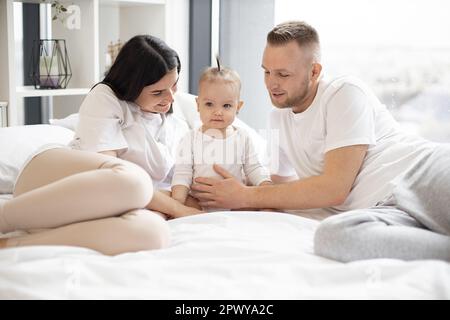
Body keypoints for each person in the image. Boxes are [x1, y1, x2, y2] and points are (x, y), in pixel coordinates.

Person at [191, 21, 450, 262]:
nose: (271, 83)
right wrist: (237, 187)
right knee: (332, 237)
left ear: (314, 71)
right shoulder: (277, 119)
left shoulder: (343, 92)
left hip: (422, 174)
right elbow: (281, 191)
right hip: (387, 211)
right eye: (267, 72)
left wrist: (245, 196)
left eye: (283, 74)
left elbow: (334, 188)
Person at [0, 35, 200, 255]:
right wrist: (179, 209)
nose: (170, 98)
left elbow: (176, 185)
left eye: (174, 85)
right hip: (49, 180)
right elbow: (113, 175)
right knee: (136, 181)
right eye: (157, 92)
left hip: (100, 205)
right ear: (133, 85)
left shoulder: (177, 125)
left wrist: (173, 206)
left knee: (154, 233)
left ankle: (13, 245)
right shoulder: (106, 97)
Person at [171, 61, 272, 211]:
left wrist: (265, 186)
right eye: (209, 104)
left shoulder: (242, 137)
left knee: (261, 206)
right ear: (198, 105)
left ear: (238, 107)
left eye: (226, 106)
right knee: (181, 200)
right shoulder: (190, 139)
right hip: (200, 201)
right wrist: (177, 204)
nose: (218, 112)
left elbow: (254, 168)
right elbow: (182, 173)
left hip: (234, 202)